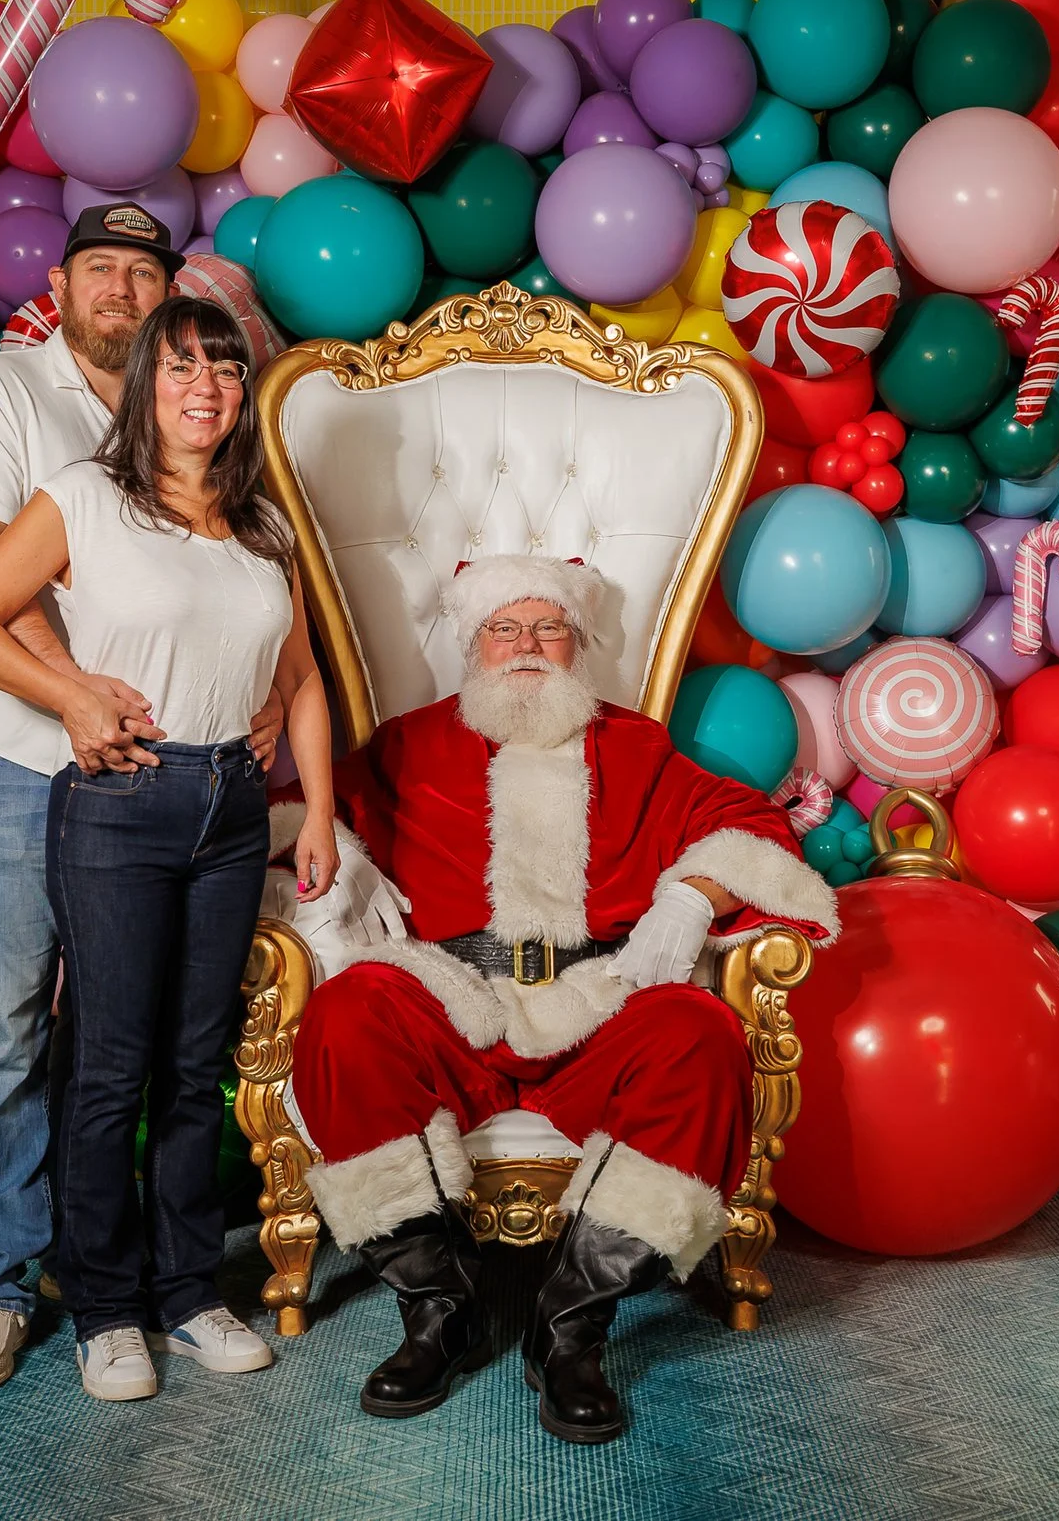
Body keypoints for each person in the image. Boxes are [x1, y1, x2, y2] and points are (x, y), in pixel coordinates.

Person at [265, 555, 839, 1444]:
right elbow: (293, 810)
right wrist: (340, 848)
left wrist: (694, 895)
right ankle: (437, 1311)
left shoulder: (635, 746)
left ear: (578, 643)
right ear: (473, 644)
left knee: (698, 1029)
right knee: (348, 1011)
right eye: (505, 628)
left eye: (548, 628)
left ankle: (570, 1327)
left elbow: (754, 829)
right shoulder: (411, 743)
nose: (526, 646)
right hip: (452, 1000)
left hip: (597, 1002)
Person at [0, 295, 338, 1403]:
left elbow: (301, 678)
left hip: (231, 805)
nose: (206, 386)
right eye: (181, 367)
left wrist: (322, 810)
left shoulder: (263, 527)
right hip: (120, 801)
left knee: (196, 1063)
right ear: (145, 385)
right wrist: (70, 695)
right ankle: (105, 1308)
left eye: (225, 368)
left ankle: (188, 1292)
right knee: (109, 1066)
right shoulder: (85, 496)